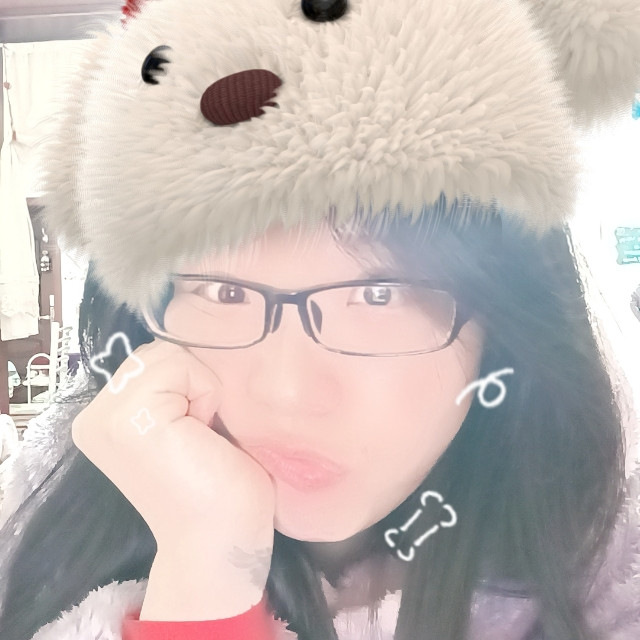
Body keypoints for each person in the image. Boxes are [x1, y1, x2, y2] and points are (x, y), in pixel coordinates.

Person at [0, 1, 639, 639]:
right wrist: (205, 570)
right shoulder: (49, 520)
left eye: (381, 295)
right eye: (224, 292)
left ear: (503, 319)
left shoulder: (608, 568)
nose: (288, 391)